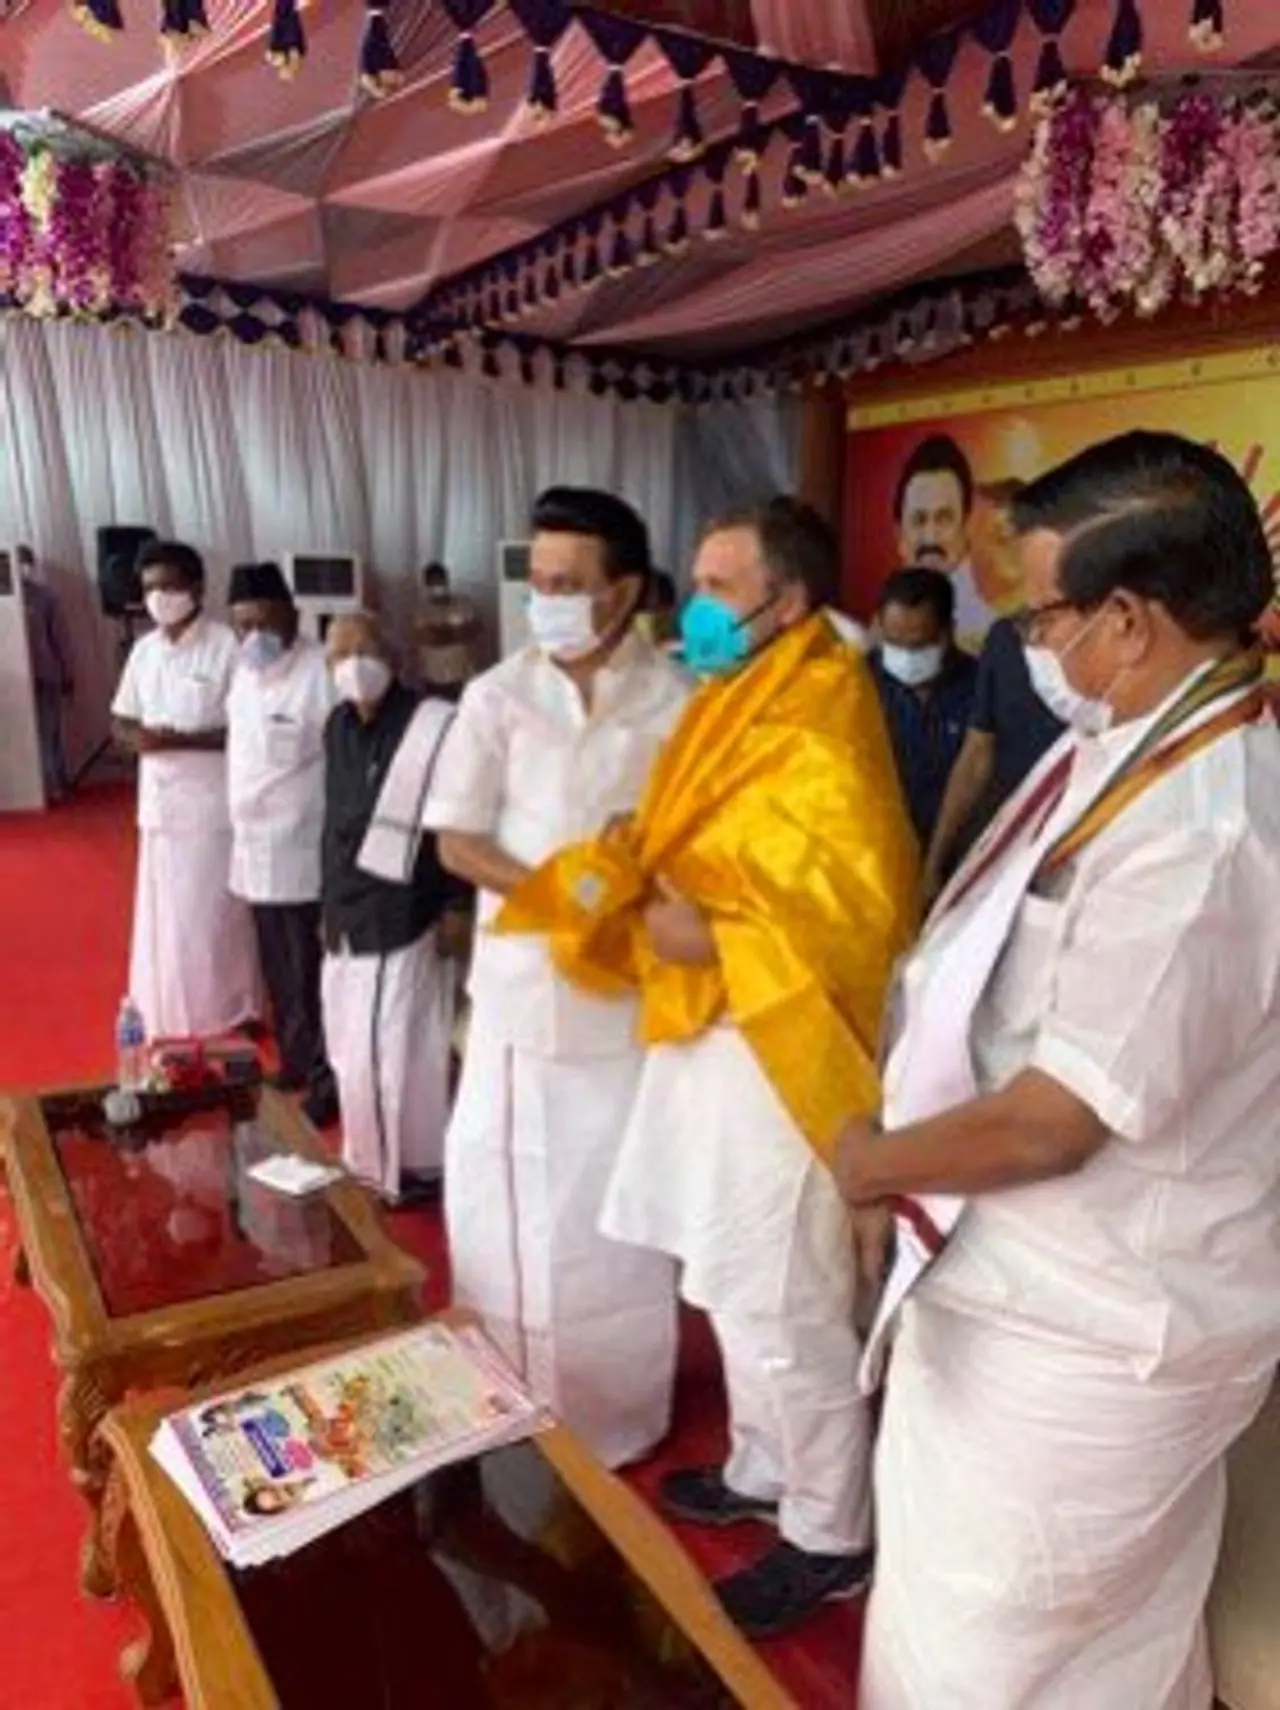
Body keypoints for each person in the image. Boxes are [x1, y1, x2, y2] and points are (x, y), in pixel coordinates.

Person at [837, 431, 1280, 1710]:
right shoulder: (1134, 738)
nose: (1030, 644)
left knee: (988, 1665)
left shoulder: (1203, 829)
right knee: (1078, 1653)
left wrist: (871, 1160)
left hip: (1098, 1326)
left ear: (1127, 620)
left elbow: (1055, 1121)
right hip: (1026, 1289)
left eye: (1042, 617)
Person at [498, 497, 919, 1636]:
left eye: (721, 587)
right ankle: (762, 1466)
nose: (698, 607)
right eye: (696, 582)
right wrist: (638, 884)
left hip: (781, 1050)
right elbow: (686, 848)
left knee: (787, 1299)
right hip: (710, 1041)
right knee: (729, 1277)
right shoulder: (741, 694)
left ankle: (829, 1533)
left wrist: (697, 927)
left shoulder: (822, 718)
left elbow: (848, 912)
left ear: (789, 599)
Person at [423, 486, 690, 1470]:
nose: (547, 601)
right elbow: (456, 841)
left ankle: (618, 1414)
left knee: (613, 1215)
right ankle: (508, 1410)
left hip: (626, 1001)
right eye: (538, 582)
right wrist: (554, 896)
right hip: (520, 998)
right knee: (506, 1208)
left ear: (624, 591)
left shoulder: (679, 701)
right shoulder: (498, 696)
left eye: (568, 584)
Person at [320, 611, 460, 1202]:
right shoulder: (336, 725)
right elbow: (334, 821)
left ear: (393, 658)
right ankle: (402, 1158)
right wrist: (327, 907)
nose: (353, 664)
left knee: (395, 1047)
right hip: (346, 908)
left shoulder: (433, 727)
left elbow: (457, 822)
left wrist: (455, 905)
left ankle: (384, 1172)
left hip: (405, 907)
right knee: (355, 1045)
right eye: (340, 653)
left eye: (365, 649)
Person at [111, 541, 260, 1039]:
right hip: (158, 809)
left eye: (170, 586)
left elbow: (246, 730)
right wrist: (136, 738)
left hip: (211, 811)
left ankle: (231, 1009)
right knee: (165, 919)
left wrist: (178, 740)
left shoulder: (226, 647)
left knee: (213, 918)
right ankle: (166, 1008)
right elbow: (120, 720)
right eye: (150, 588)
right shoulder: (144, 651)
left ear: (197, 587)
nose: (159, 597)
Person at [226, 561, 338, 1126]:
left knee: (311, 971)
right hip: (253, 847)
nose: (254, 637)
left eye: (264, 623)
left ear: (292, 616)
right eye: (243, 625)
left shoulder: (321, 672)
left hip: (302, 848)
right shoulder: (244, 672)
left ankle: (326, 1078)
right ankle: (295, 1061)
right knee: (277, 969)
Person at [921, 614, 1064, 901]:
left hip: (1066, 843)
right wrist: (934, 863)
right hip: (1001, 833)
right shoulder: (1004, 638)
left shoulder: (1109, 647)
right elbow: (976, 755)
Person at [868, 566, 978, 849]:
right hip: (878, 850)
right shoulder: (860, 683)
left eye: (918, 646)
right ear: (878, 625)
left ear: (948, 631)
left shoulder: (982, 687)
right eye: (893, 643)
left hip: (960, 851)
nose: (905, 657)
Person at [893, 434, 988, 645]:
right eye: (919, 520)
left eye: (944, 519)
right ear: (899, 536)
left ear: (967, 527)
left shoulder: (989, 636)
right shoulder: (878, 638)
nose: (930, 537)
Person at [18, 544, 74, 803]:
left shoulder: (45, 596)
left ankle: (55, 784)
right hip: (13, 679)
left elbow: (60, 637)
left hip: (44, 673)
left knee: (49, 733)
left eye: (26, 562)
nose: (23, 568)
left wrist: (67, 672)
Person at [417, 561, 483, 701]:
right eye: (433, 582)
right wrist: (455, 632)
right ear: (426, 585)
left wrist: (441, 631)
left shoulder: (463, 604)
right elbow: (429, 638)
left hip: (462, 675)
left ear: (447, 580)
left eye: (440, 581)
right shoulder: (421, 610)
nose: (438, 586)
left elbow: (473, 630)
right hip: (434, 677)